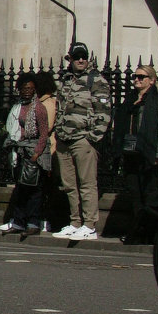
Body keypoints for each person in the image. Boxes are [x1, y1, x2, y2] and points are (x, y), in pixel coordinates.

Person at [52, 42, 112, 241]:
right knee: (69, 185)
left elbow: (103, 112)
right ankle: (75, 222)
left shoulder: (96, 80)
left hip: (82, 139)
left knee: (87, 184)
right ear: (70, 58)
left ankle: (89, 224)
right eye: (76, 56)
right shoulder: (65, 80)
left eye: (83, 56)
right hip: (64, 139)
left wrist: (92, 137)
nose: (80, 60)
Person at [114, 63, 158, 242]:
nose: (136, 79)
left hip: (148, 152)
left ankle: (149, 232)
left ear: (151, 81)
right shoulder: (130, 99)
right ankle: (137, 231)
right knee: (135, 194)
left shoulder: (157, 100)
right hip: (131, 152)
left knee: (149, 195)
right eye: (135, 77)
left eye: (141, 77)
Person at [1, 74, 54, 235]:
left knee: (34, 190)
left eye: (30, 88)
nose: (26, 91)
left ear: (35, 90)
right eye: (24, 88)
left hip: (33, 152)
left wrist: (36, 154)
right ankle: (18, 221)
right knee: (21, 188)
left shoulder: (38, 108)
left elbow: (44, 133)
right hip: (20, 150)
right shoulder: (17, 106)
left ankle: (33, 223)